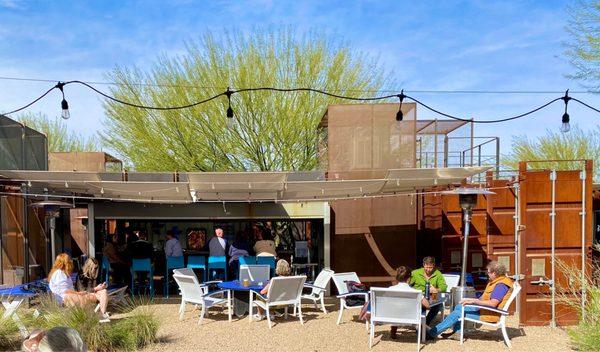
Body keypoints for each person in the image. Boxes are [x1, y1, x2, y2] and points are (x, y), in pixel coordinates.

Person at [427, 260, 514, 340]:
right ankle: (457, 333)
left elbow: (493, 304)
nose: (487, 274)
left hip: (489, 314)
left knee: (458, 312)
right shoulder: (498, 281)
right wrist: (470, 300)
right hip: (484, 310)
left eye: (488, 272)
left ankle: (432, 333)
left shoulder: (500, 285)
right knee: (460, 306)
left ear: (494, 273)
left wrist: (474, 301)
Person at [358, 266, 431, 339]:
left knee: (396, 306)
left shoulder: (390, 290)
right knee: (419, 308)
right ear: (409, 278)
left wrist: (370, 309)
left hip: (391, 316)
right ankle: (424, 333)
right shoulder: (415, 292)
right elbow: (427, 305)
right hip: (410, 317)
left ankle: (393, 330)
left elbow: (380, 302)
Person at [48, 253, 110, 323]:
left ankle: (102, 314)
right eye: (69, 260)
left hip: (79, 294)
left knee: (104, 291)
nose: (71, 261)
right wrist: (80, 293)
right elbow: (65, 291)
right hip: (67, 298)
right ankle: (92, 318)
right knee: (94, 297)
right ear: (65, 262)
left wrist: (101, 287)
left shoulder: (63, 273)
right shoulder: (60, 273)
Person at [410, 256, 447, 325]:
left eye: (431, 268)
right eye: (427, 267)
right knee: (421, 305)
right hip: (419, 295)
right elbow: (408, 284)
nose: (429, 270)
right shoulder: (415, 273)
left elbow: (444, 287)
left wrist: (436, 289)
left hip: (433, 294)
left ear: (434, 265)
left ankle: (426, 322)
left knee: (437, 304)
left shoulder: (437, 273)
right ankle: (419, 322)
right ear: (423, 265)